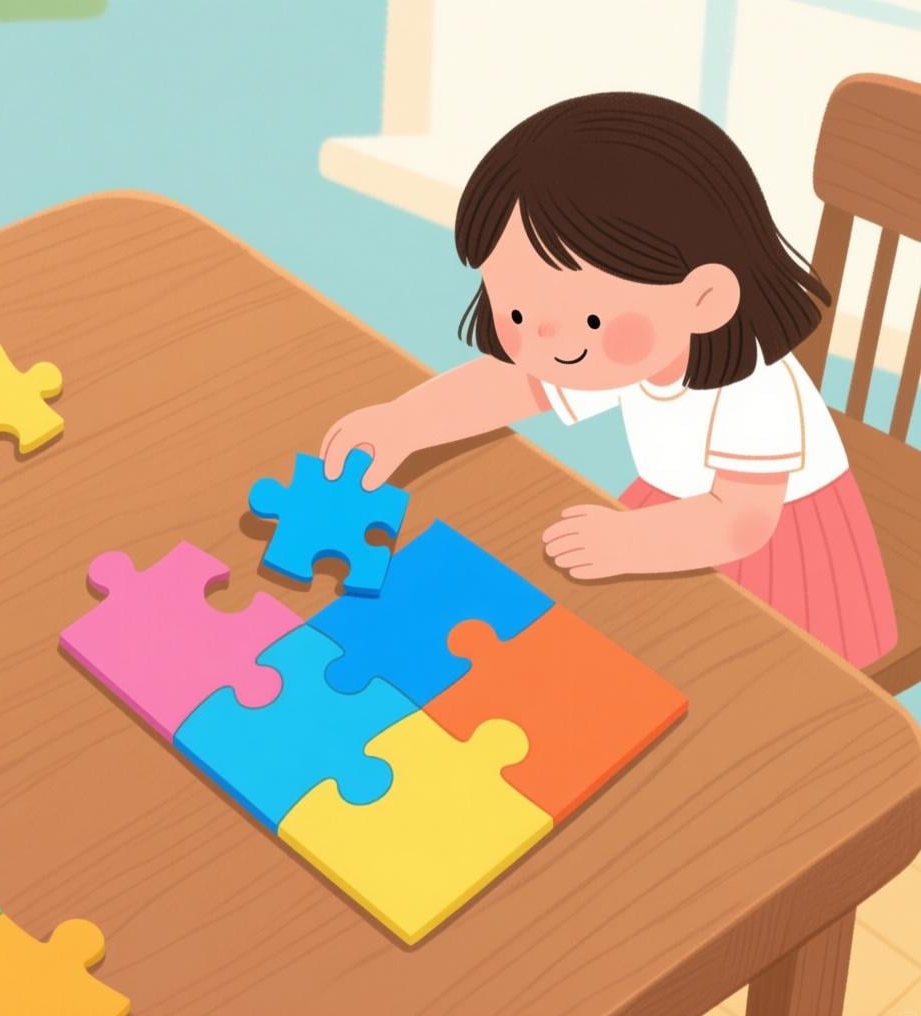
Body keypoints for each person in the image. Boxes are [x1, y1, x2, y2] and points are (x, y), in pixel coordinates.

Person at [320, 92, 896, 669]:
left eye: (588, 318)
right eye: (515, 312)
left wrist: (633, 542)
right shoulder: (622, 342)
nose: (543, 339)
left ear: (705, 298)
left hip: (780, 557)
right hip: (677, 510)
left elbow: (741, 523)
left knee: (704, 681)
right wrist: (406, 422)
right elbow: (516, 385)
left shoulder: (756, 392)